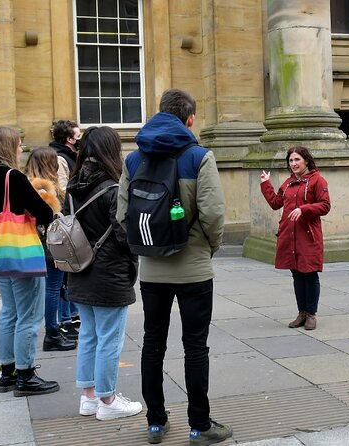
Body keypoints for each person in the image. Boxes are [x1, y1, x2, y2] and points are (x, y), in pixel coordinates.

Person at [117, 88, 231, 445]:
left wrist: (145, 248)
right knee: (195, 346)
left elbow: (122, 216)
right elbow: (213, 214)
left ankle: (156, 422)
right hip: (194, 268)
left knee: (153, 343)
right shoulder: (199, 157)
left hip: (152, 269)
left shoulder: (134, 160)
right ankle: (199, 425)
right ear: (190, 119)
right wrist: (208, 247)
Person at [65, 126, 142, 421]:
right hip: (108, 273)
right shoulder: (113, 187)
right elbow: (124, 235)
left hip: (79, 269)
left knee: (89, 335)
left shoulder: (74, 185)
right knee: (109, 338)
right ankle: (108, 400)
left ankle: (88, 397)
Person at [0, 126, 60, 396]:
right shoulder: (13, 176)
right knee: (29, 315)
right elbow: (44, 212)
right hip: (21, 251)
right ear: (7, 147)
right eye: (18, 144)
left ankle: (7, 373)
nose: (21, 149)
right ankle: (26, 375)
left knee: (9, 312)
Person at [260, 146, 331, 331]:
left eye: (297, 160)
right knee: (297, 274)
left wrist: (304, 209)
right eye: (291, 161)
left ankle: (311, 314)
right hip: (289, 236)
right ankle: (301, 313)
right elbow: (276, 203)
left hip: (308, 236)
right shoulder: (288, 183)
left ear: (306, 160)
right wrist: (266, 183)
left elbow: (325, 205)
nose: (294, 164)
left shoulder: (317, 181)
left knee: (310, 273)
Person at [24, 147, 77, 352]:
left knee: (53, 287)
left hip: (42, 244)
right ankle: (52, 332)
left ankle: (56, 328)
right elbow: (51, 219)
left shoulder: (32, 186)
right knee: (53, 288)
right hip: (50, 245)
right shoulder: (43, 190)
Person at [48, 119, 81, 334]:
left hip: (70, 217)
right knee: (62, 275)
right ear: (69, 139)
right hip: (66, 220)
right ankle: (65, 318)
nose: (81, 140)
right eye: (78, 136)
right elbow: (62, 189)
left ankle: (70, 314)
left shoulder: (70, 156)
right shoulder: (61, 158)